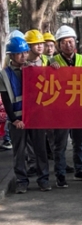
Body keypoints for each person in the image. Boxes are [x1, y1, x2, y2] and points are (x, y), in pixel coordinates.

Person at [1, 37, 51, 193]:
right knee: (19, 152)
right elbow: (6, 99)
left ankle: (43, 180)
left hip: (35, 118)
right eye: (19, 53)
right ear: (11, 55)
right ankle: (22, 181)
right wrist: (14, 120)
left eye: (25, 52)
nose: (23, 56)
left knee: (40, 150)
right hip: (17, 120)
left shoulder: (33, 69)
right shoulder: (4, 74)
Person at [49, 26, 82, 187]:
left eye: (70, 41)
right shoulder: (52, 62)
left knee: (79, 141)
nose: (68, 45)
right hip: (61, 110)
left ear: (75, 42)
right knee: (60, 144)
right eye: (64, 42)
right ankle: (60, 174)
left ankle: (79, 170)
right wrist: (49, 71)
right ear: (58, 45)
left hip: (79, 108)